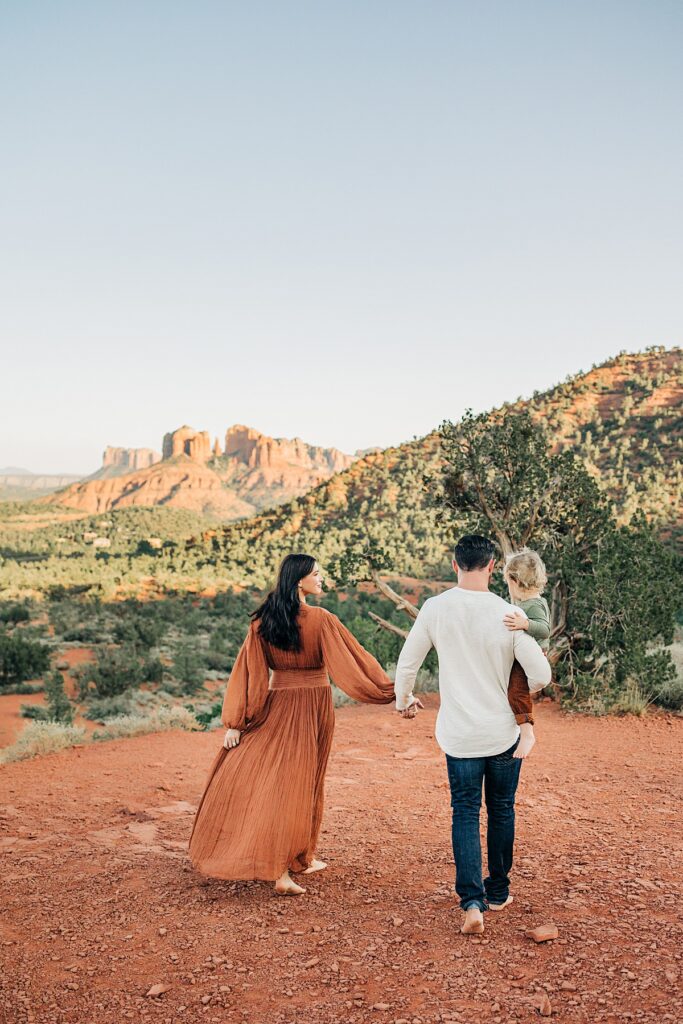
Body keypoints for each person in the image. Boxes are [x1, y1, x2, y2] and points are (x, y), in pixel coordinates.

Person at [188, 553, 401, 896]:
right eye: (316, 574)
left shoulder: (262, 622)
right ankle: (280, 869)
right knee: (300, 783)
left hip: (279, 704)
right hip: (313, 704)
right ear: (300, 580)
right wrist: (391, 692)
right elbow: (354, 664)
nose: (322, 578)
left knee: (290, 779)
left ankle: (301, 856)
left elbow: (251, 676)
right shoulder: (321, 619)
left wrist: (237, 723)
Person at [393, 535, 552, 935]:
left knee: (464, 811)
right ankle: (497, 891)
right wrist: (514, 692)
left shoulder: (435, 608)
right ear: (493, 567)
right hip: (501, 734)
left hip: (460, 735)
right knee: (501, 809)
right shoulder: (508, 612)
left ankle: (472, 903)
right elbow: (542, 675)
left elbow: (408, 661)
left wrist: (404, 699)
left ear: (454, 564)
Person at [502, 549, 552, 759]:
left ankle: (527, 732)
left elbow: (544, 629)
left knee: (516, 690)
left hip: (530, 658)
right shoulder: (525, 603)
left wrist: (525, 624)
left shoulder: (535, 604)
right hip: (523, 656)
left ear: (515, 581)